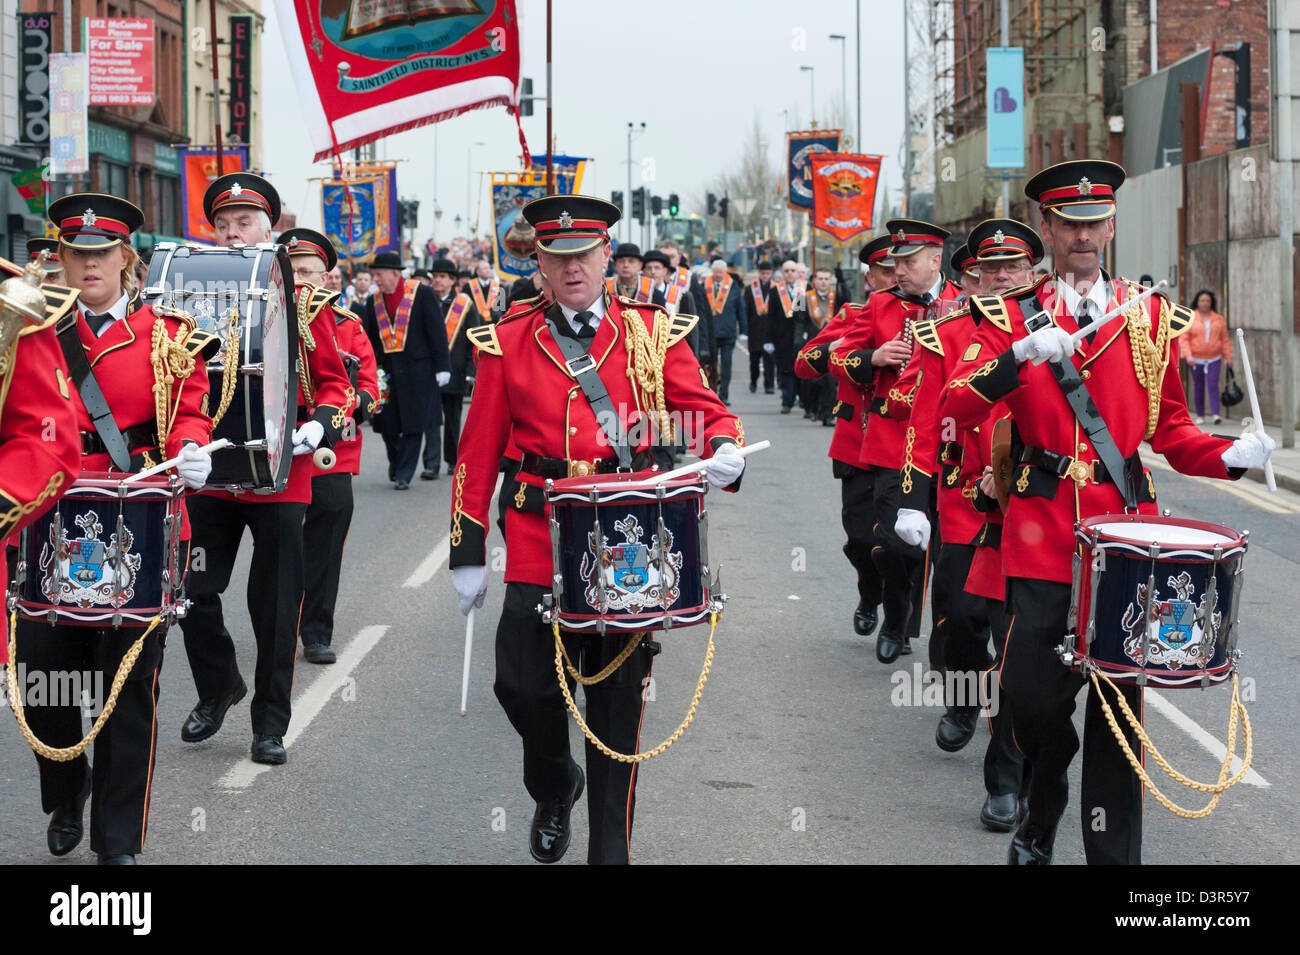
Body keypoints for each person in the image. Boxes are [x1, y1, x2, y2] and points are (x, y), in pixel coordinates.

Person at [940, 159, 1274, 865]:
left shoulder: (1151, 318)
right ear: (1048, 229)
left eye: (1095, 223)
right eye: (1068, 223)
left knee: (1121, 716)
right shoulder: (1007, 317)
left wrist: (1235, 453)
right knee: (1032, 705)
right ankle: (1044, 799)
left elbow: (1174, 434)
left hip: (1124, 539)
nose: (1083, 236)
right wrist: (1023, 355)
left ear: (1112, 227)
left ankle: (1112, 857)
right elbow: (958, 403)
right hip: (1040, 534)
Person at [448, 195, 746, 865]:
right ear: (540, 266)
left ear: (607, 255)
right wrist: (466, 547)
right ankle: (554, 785)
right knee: (521, 684)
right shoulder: (508, 339)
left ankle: (610, 853)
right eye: (557, 257)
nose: (572, 267)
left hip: (627, 541)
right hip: (536, 537)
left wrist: (723, 445)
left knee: (615, 715)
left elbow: (704, 410)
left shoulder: (650, 331)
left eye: (583, 253)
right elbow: (476, 453)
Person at [18, 195, 217, 863]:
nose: (89, 264)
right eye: (76, 253)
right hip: (46, 517)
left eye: (101, 253)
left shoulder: (167, 335)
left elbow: (191, 411)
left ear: (126, 258)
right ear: (61, 260)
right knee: (45, 681)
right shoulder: (26, 331)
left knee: (127, 687)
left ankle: (118, 844)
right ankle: (66, 786)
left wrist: (191, 448)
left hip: (138, 519)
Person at [180, 173, 353, 766]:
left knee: (276, 607)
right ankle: (218, 684)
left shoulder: (302, 301)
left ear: (269, 229)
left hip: (283, 474)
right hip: (211, 469)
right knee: (190, 589)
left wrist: (319, 425)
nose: (232, 236)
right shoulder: (191, 297)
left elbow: (337, 384)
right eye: (223, 226)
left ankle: (269, 725)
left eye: (245, 225)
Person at [889, 217, 1040, 826]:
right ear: (972, 275)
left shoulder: (1054, 327)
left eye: (1013, 268)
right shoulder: (944, 333)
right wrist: (911, 499)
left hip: (1030, 505)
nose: (1001, 278)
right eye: (990, 269)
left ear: (1032, 273)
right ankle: (959, 699)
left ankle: (1007, 778)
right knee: (957, 622)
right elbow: (924, 423)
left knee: (1018, 644)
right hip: (962, 502)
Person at [830, 221, 961, 662]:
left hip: (951, 442)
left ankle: (944, 637)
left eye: (908, 261)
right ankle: (894, 617)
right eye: (895, 263)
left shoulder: (963, 302)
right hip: (893, 442)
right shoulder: (879, 305)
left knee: (942, 549)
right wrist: (873, 358)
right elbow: (837, 358)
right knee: (889, 543)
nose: (898, 270)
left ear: (934, 260)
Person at [281, 229, 380, 666]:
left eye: (307, 272)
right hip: (277, 455)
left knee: (323, 548)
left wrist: (350, 404)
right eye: (292, 271)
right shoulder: (264, 322)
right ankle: (279, 626)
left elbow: (372, 390)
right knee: (282, 548)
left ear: (327, 280)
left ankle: (316, 632)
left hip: (330, 456)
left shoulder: (348, 327)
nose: (299, 280)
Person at [794, 233, 894, 638]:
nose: (895, 277)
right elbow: (803, 363)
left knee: (900, 544)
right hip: (857, 444)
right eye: (886, 271)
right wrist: (837, 348)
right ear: (870, 277)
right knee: (858, 540)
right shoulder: (853, 313)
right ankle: (869, 595)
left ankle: (899, 624)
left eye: (901, 269)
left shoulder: (930, 313)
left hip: (905, 445)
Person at [360, 251, 452, 489]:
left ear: (394, 273)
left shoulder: (421, 293)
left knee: (414, 424)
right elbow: (369, 339)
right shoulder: (373, 301)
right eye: (374, 275)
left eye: (379, 274)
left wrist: (443, 366)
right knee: (386, 425)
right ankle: (396, 461)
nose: (376, 279)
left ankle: (404, 473)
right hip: (387, 373)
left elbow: (437, 332)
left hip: (418, 371)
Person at [421, 258, 482, 480]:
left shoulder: (464, 303)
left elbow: (473, 339)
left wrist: (470, 371)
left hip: (456, 371)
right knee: (430, 419)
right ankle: (431, 464)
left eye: (442, 277)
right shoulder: (424, 300)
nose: (437, 280)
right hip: (428, 371)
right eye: (435, 276)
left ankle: (452, 459)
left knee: (453, 420)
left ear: (452, 280)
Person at [1180, 289, 1232, 424]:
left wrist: (1228, 356)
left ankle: (1216, 414)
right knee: (1198, 386)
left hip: (1214, 358)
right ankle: (1200, 415)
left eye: (1208, 300)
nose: (1205, 303)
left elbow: (1225, 339)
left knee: (1213, 385)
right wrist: (1188, 355)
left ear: (1211, 302)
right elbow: (1184, 338)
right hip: (1195, 359)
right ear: (1197, 302)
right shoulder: (1191, 318)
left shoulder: (1218, 319)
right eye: (1202, 300)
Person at [766, 260, 808, 413]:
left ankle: (804, 399)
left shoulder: (805, 290)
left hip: (801, 337)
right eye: (786, 271)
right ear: (782, 274)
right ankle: (787, 401)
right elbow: (770, 317)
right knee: (785, 371)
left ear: (797, 273)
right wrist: (768, 339)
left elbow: (805, 316)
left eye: (792, 270)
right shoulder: (774, 291)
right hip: (781, 337)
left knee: (802, 369)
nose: (790, 273)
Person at [703, 257, 746, 405]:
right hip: (711, 332)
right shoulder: (704, 285)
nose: (718, 275)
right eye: (715, 273)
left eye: (721, 273)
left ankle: (724, 394)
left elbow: (741, 309)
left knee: (726, 364)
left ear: (725, 272)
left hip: (728, 332)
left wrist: (743, 331)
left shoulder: (733, 287)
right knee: (711, 364)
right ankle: (712, 393)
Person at [803, 267, 839, 424]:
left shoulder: (837, 297)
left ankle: (828, 414)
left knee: (830, 380)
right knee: (812, 381)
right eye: (820, 279)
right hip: (811, 344)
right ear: (814, 281)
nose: (823, 282)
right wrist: (798, 342)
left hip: (832, 344)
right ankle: (811, 408)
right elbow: (797, 322)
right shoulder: (802, 298)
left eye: (826, 279)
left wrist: (843, 281)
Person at [746, 260, 775, 394]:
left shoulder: (776, 289)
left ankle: (769, 385)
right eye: (763, 273)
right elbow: (746, 310)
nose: (765, 276)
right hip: (755, 329)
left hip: (770, 330)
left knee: (769, 360)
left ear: (771, 274)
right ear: (759, 273)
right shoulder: (750, 289)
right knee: (754, 360)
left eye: (768, 273)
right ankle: (753, 381)